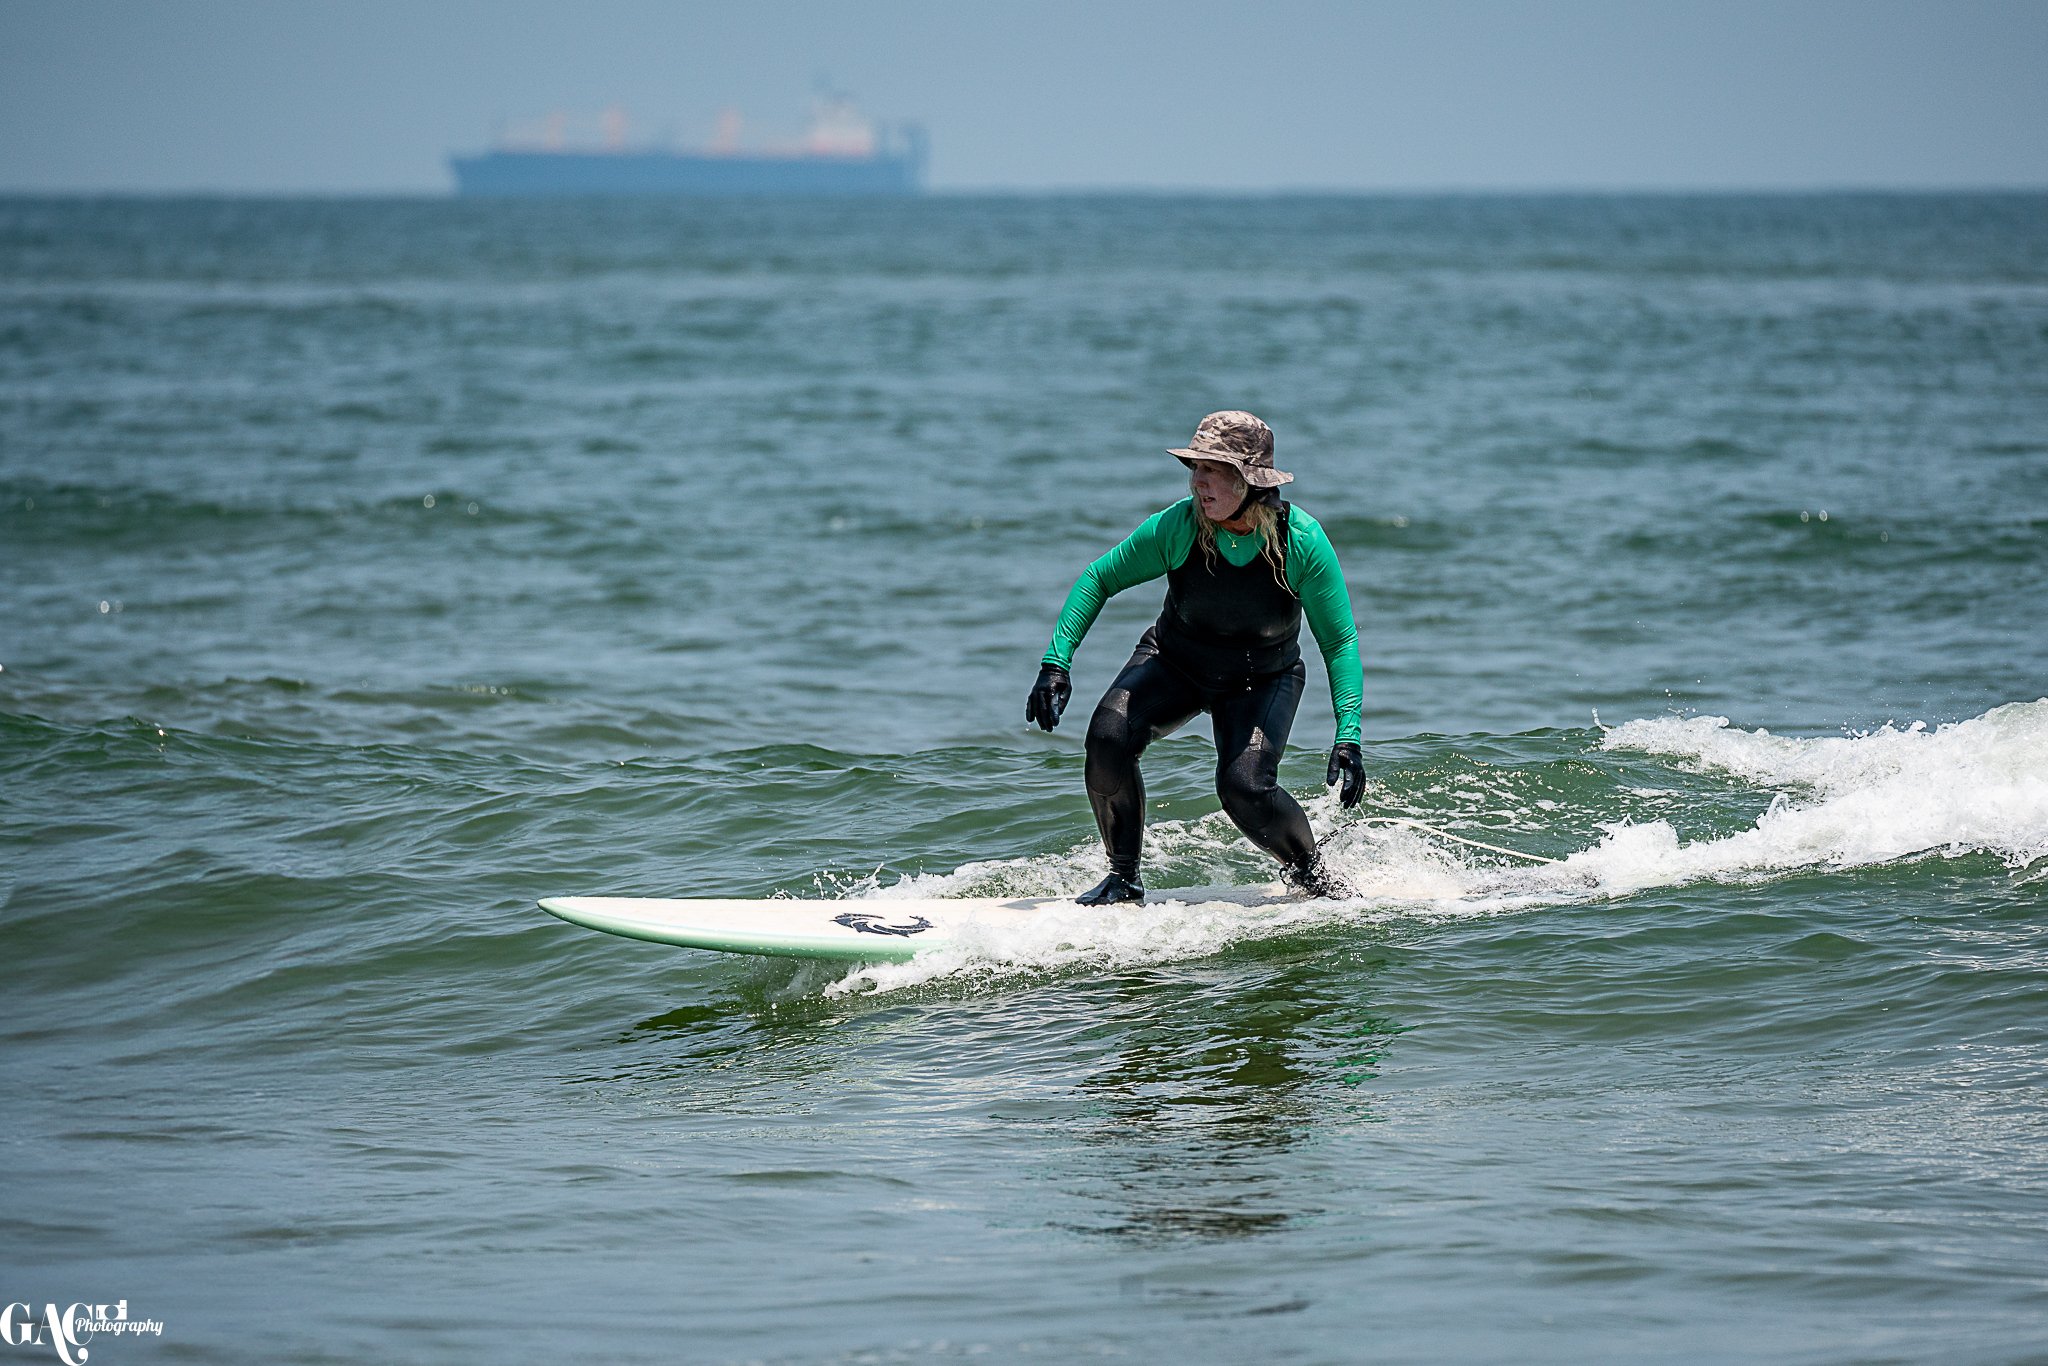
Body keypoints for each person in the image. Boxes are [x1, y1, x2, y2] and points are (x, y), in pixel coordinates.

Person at [1026, 411, 1366, 905]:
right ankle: (1124, 878)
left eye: (1213, 470)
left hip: (1260, 679)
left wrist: (1348, 735)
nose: (1197, 482)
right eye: (1194, 468)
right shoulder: (1180, 526)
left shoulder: (1301, 541)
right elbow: (1099, 578)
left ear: (1250, 480)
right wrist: (1056, 663)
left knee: (1244, 787)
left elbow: (1340, 642)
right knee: (1107, 737)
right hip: (1175, 661)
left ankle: (1311, 873)